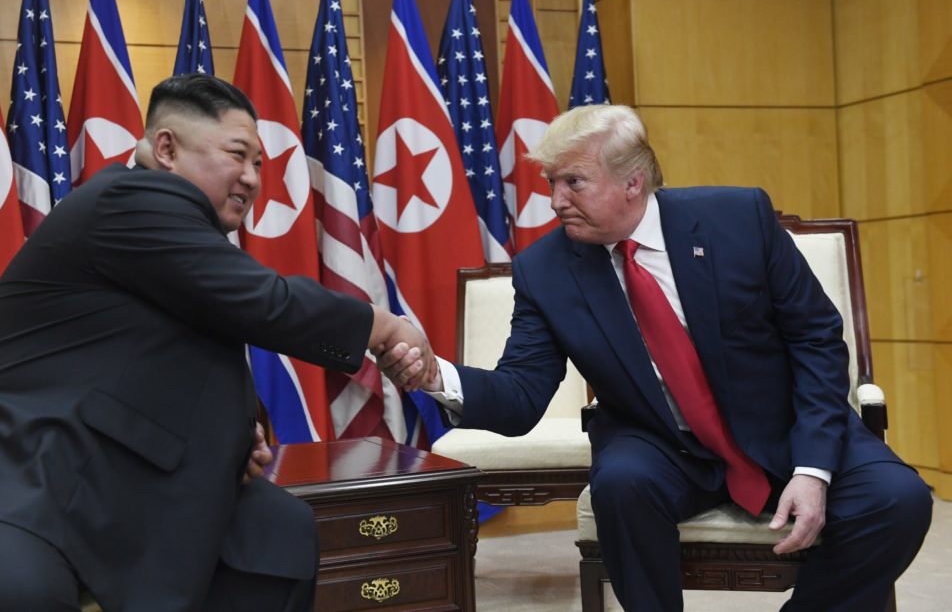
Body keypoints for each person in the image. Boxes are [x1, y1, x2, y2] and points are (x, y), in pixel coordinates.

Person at [381, 104, 933, 611]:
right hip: (659, 441)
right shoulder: (544, 270)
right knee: (622, 485)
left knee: (899, 500)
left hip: (782, 423)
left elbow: (816, 338)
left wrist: (812, 468)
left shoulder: (738, 219)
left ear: (632, 183)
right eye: (552, 182)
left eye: (573, 182)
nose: (555, 200)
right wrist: (436, 375)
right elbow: (521, 395)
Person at [0, 74, 433, 612]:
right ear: (166, 148)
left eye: (259, 165)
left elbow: (176, 359)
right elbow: (264, 301)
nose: (251, 179)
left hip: (129, 476)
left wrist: (233, 440)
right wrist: (384, 327)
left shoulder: (181, 243)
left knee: (277, 531)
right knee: (17, 595)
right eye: (237, 155)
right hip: (24, 468)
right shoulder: (131, 199)